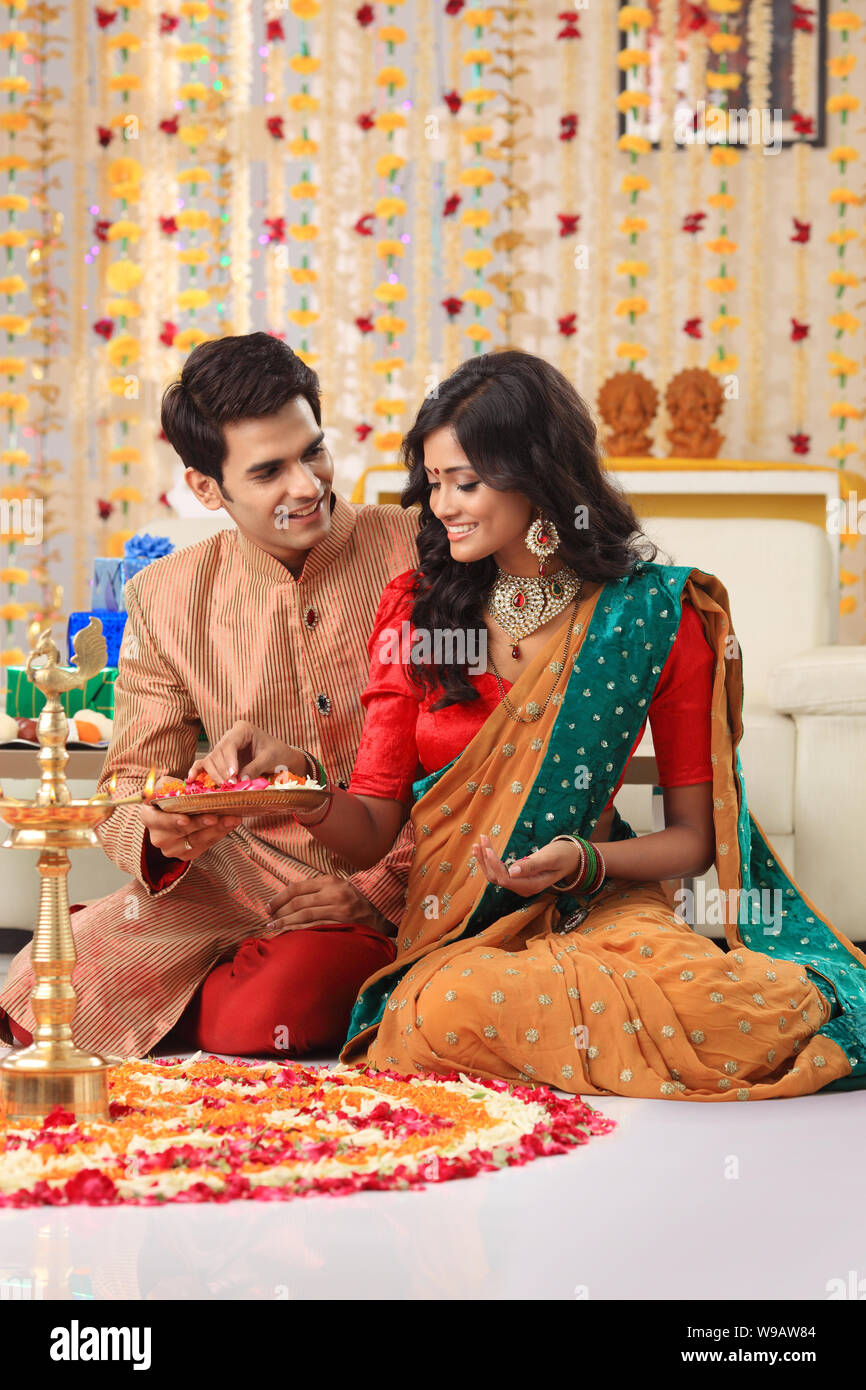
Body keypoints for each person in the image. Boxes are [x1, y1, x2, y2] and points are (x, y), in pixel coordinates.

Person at [206, 349, 866, 1100]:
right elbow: (373, 827)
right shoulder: (416, 611)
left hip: (602, 902)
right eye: (434, 483)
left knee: (738, 1008)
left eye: (467, 483)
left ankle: (589, 1024)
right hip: (457, 922)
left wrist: (583, 861)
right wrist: (301, 791)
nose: (443, 506)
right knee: (438, 1013)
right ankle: (592, 1031)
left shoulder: (652, 614)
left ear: (539, 474)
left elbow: (696, 841)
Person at [0, 332, 419, 1058]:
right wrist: (157, 830)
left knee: (264, 1014)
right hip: (227, 881)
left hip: (389, 874)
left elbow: (480, 765)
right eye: (268, 471)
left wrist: (380, 890)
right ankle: (201, 969)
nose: (307, 485)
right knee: (37, 995)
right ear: (206, 487)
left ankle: (225, 988)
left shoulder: (422, 550)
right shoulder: (165, 596)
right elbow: (128, 782)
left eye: (313, 451)